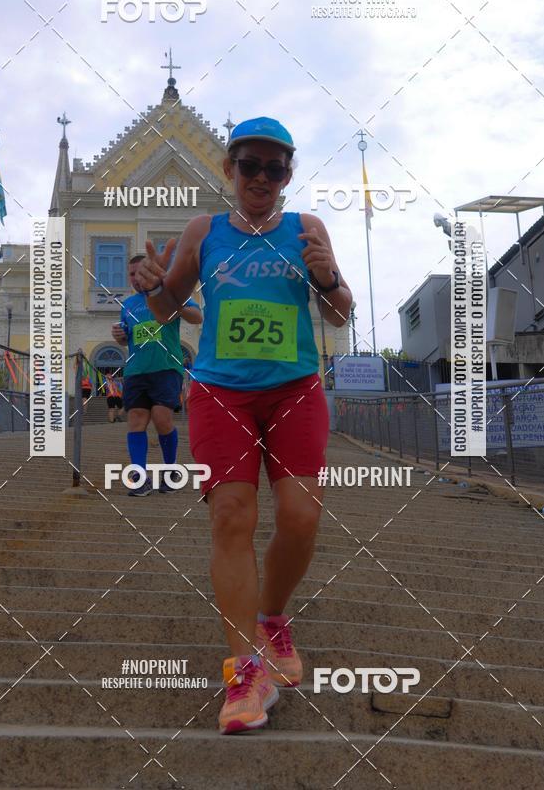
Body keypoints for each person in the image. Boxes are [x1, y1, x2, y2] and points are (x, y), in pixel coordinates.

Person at [136, 117, 352, 734]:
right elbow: (169, 308)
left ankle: (272, 619)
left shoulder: (306, 228)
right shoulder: (203, 231)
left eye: (274, 168)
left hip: (295, 390)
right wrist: (153, 287)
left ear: (287, 174)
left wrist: (327, 276)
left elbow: (340, 314)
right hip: (220, 391)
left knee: (301, 516)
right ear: (229, 169)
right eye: (249, 165)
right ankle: (246, 670)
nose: (261, 177)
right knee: (231, 515)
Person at [112, 255, 203, 497]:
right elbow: (126, 339)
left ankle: (170, 471)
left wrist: (177, 306)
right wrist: (119, 336)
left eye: (140, 272)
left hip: (166, 368)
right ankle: (140, 478)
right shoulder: (128, 305)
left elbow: (197, 317)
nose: (136, 278)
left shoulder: (170, 294)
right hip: (136, 371)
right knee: (136, 420)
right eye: (131, 274)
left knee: (162, 419)